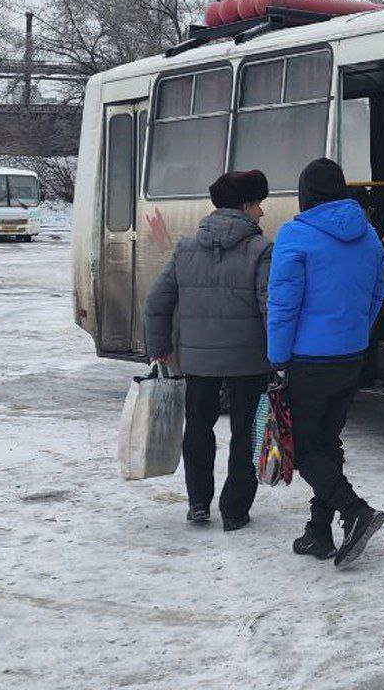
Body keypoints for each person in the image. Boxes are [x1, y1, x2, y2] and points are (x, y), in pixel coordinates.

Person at [269, 157, 384, 568]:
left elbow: (283, 305)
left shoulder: (296, 236)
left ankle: (354, 510)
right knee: (327, 441)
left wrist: (277, 358)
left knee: (302, 448)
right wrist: (353, 336)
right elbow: (375, 297)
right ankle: (318, 532)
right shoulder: (369, 235)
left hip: (307, 358)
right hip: (350, 355)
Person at [145, 170, 272, 531]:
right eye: (258, 204)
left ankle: (198, 502)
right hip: (248, 362)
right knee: (246, 433)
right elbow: (269, 307)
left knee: (199, 427)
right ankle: (234, 511)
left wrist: (159, 348)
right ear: (246, 205)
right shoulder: (261, 250)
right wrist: (280, 357)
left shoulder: (185, 248)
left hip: (198, 361)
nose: (261, 213)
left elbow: (156, 300)